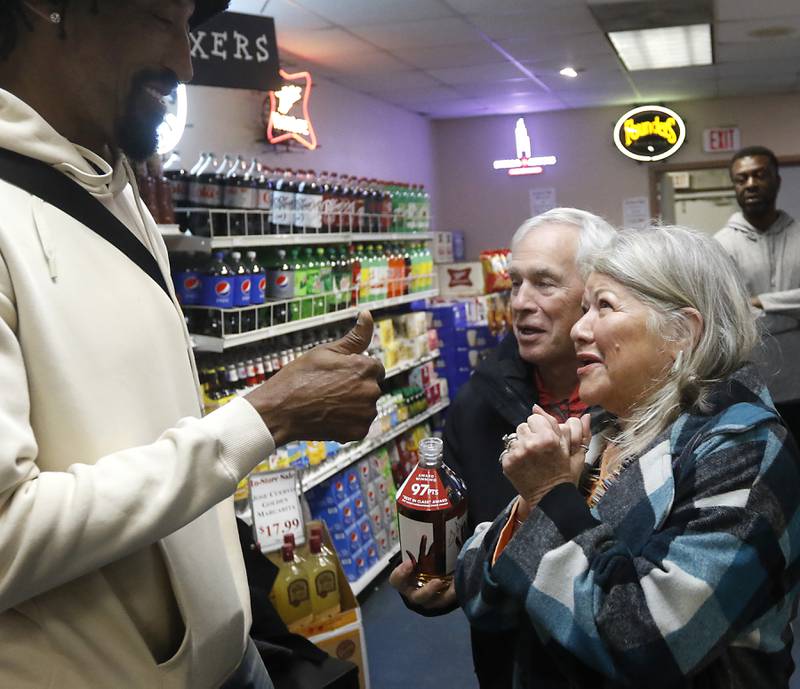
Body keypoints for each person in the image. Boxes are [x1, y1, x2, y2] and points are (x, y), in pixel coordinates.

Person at [0, 2, 383, 688]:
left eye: (189, 28)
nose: (183, 62)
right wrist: (264, 416)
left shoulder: (117, 192)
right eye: (156, 17)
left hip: (235, 658)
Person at [457, 226, 800, 688]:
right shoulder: (601, 431)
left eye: (603, 307)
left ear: (682, 332)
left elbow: (649, 643)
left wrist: (550, 495)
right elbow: (480, 594)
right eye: (583, 309)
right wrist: (531, 505)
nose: (579, 329)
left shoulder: (745, 448)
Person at [390, 208, 615, 689]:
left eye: (545, 283)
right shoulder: (478, 402)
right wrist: (434, 581)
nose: (520, 302)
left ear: (596, 296)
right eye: (515, 283)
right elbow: (455, 529)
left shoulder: (635, 408)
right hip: (508, 665)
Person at [715, 145, 800, 439]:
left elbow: (750, 310)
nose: (751, 184)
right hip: (750, 389)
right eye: (742, 178)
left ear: (777, 180)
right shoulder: (720, 245)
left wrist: (761, 301)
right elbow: (728, 313)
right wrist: (792, 315)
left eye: (760, 175)